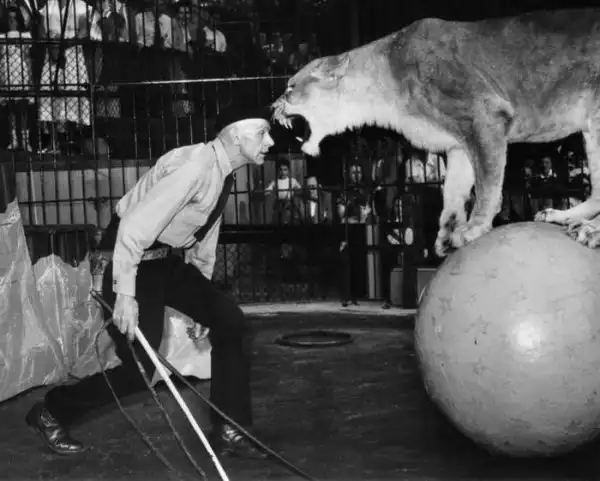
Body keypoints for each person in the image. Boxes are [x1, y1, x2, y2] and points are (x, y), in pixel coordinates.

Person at [25, 110, 275, 459]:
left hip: (162, 260)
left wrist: (200, 302)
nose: (270, 141)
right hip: (128, 258)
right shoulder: (195, 167)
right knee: (141, 369)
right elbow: (132, 227)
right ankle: (52, 411)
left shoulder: (222, 171)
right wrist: (125, 295)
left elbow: (203, 235)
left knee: (228, 319)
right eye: (261, 133)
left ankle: (229, 428)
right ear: (235, 136)